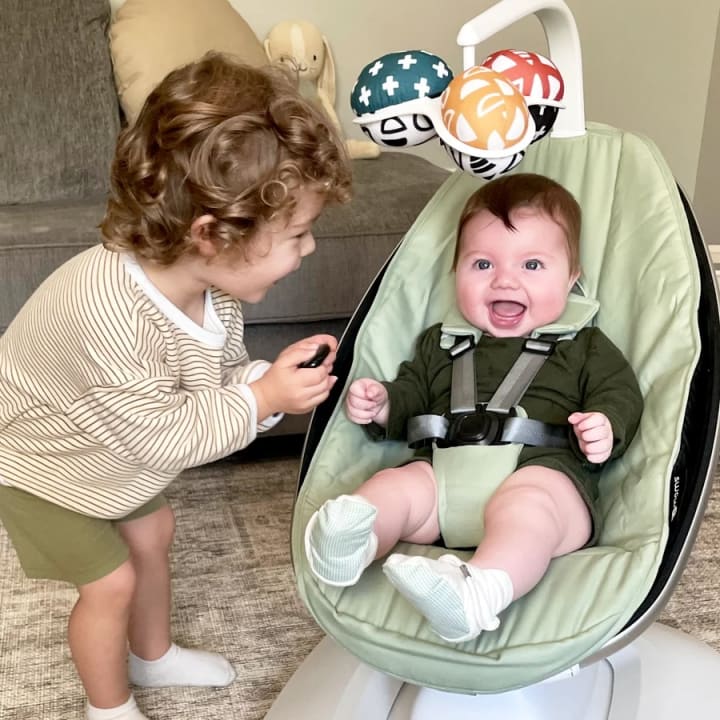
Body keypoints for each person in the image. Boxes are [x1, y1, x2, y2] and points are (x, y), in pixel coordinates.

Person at [0, 53, 350, 720]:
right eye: (297, 234)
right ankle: (108, 709)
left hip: (111, 444)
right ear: (212, 235)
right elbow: (164, 436)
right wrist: (262, 400)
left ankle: (152, 656)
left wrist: (264, 381)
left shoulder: (211, 291)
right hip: (40, 463)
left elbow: (214, 381)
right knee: (110, 582)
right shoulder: (107, 312)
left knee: (153, 529)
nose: (307, 250)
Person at [305, 173, 643, 644]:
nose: (505, 279)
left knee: (529, 507)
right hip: (444, 479)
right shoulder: (442, 342)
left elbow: (619, 392)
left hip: (541, 473)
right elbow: (413, 397)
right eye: (482, 263)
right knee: (396, 486)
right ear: (456, 271)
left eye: (532, 264)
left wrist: (604, 424)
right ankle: (351, 545)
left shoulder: (584, 345)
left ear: (571, 278)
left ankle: (478, 592)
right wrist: (384, 404)